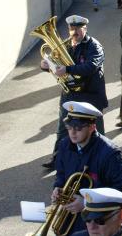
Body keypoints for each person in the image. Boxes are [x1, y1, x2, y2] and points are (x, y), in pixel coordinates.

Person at [53, 102, 122, 236]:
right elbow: (61, 174)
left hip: (98, 228)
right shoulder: (64, 145)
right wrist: (57, 188)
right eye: (69, 127)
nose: (72, 132)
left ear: (92, 126)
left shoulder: (109, 154)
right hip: (67, 227)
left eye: (78, 128)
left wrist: (87, 203)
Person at [41, 15, 108, 168]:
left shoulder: (94, 46)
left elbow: (90, 67)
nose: (74, 31)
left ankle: (104, 159)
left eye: (78, 28)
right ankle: (57, 159)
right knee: (63, 129)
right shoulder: (67, 46)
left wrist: (68, 69)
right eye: (72, 28)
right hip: (70, 94)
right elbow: (57, 66)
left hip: (90, 95)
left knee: (96, 130)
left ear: (85, 28)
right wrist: (45, 65)